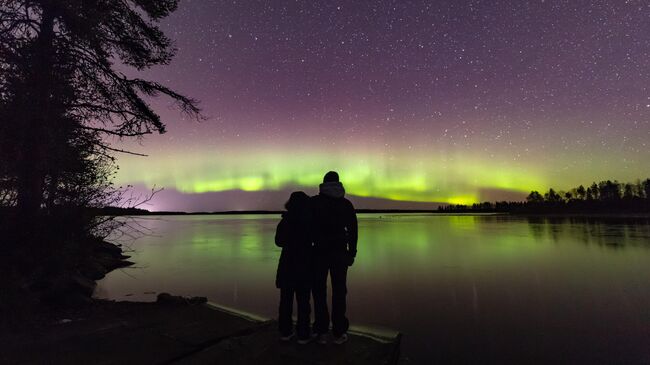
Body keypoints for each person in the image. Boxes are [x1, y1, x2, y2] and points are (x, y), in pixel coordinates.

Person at [311, 171, 358, 345]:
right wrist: (352, 252)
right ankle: (338, 332)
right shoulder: (346, 204)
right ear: (338, 183)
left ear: (323, 183)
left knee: (319, 291)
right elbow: (353, 230)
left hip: (319, 253)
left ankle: (322, 331)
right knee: (339, 292)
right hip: (339, 253)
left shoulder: (314, 203)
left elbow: (308, 228)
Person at [274, 191, 314, 344]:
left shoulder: (285, 221)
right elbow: (314, 240)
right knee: (303, 301)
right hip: (304, 264)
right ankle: (303, 334)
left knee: (286, 300)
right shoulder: (309, 221)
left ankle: (285, 332)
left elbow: (278, 241)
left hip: (287, 264)